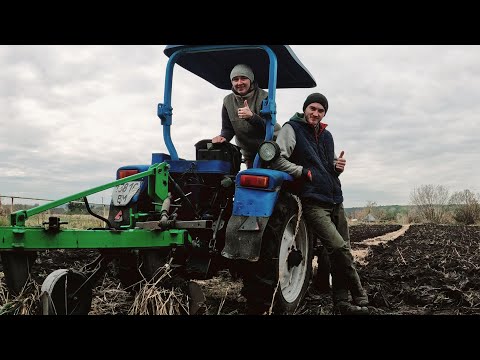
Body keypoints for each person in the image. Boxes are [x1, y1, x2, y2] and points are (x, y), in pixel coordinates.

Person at [271, 92, 370, 315]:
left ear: (324, 113)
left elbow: (327, 167)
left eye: (320, 110)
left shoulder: (327, 136)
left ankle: (341, 302)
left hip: (335, 198)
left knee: (337, 252)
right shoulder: (291, 128)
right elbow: (278, 160)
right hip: (313, 201)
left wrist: (338, 168)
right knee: (338, 247)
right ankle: (358, 290)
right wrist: (303, 172)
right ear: (305, 108)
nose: (315, 113)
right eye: (312, 108)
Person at [212, 64, 280, 168]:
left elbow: (267, 127)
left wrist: (252, 117)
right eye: (235, 79)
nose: (239, 83)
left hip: (270, 151)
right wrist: (223, 137)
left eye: (243, 78)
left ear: (251, 80)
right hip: (249, 153)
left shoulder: (265, 97)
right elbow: (227, 128)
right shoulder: (227, 101)